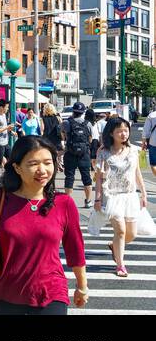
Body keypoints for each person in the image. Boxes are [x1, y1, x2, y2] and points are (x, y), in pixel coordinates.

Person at [0, 135, 88, 315]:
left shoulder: (64, 203)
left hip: (50, 294)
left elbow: (75, 248)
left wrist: (82, 286)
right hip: (4, 296)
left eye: (48, 163)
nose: (42, 170)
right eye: (33, 164)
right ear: (17, 168)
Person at [94, 115, 148, 278]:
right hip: (111, 196)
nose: (124, 134)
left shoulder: (133, 150)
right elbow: (99, 177)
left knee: (131, 234)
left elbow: (137, 172)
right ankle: (120, 265)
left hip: (130, 195)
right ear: (111, 133)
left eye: (126, 130)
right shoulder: (103, 152)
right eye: (120, 131)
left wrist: (143, 193)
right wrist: (97, 198)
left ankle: (114, 246)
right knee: (121, 231)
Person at [62, 101, 93, 207]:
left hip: (70, 152)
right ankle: (88, 201)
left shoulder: (66, 123)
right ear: (83, 112)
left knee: (69, 177)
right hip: (84, 154)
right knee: (86, 177)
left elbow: (63, 135)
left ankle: (67, 202)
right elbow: (90, 138)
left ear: (73, 111)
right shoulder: (88, 123)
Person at [142, 107, 156, 181]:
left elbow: (146, 131)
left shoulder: (152, 115)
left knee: (153, 164)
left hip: (154, 142)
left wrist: (143, 142)